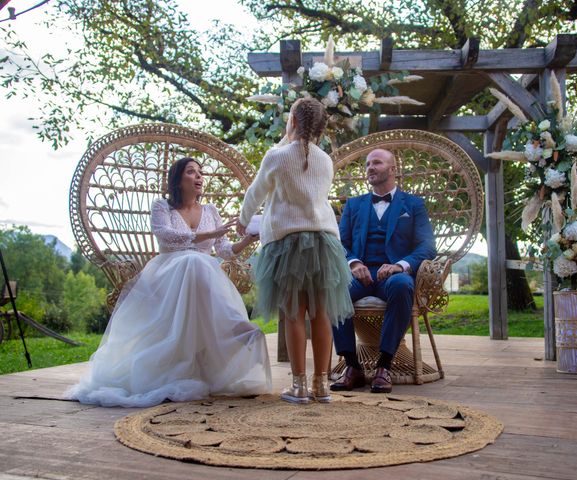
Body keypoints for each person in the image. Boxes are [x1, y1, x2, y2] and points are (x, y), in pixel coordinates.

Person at [66, 157, 272, 407]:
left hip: (204, 276)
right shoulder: (162, 206)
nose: (198, 177)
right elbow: (165, 235)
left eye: (200, 173)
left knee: (199, 263)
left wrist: (248, 240)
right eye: (191, 172)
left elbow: (224, 250)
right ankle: (207, 341)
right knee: (193, 262)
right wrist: (208, 234)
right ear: (177, 179)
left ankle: (233, 332)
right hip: (168, 275)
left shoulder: (211, 211)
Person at [237, 97, 353, 404]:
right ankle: (322, 385)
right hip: (324, 241)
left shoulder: (277, 156)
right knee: (322, 313)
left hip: (288, 243)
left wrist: (242, 221)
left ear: (294, 121)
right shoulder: (325, 160)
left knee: (294, 313)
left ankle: (299, 386)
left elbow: (256, 192)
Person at [330, 148, 436, 394]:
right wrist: (354, 263)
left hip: (394, 274)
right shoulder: (354, 205)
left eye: (376, 163)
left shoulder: (413, 204)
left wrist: (401, 265)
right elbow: (341, 244)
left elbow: (427, 246)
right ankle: (353, 366)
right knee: (335, 288)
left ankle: (384, 366)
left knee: (402, 285)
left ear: (392, 169)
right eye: (367, 164)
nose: (370, 168)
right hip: (361, 274)